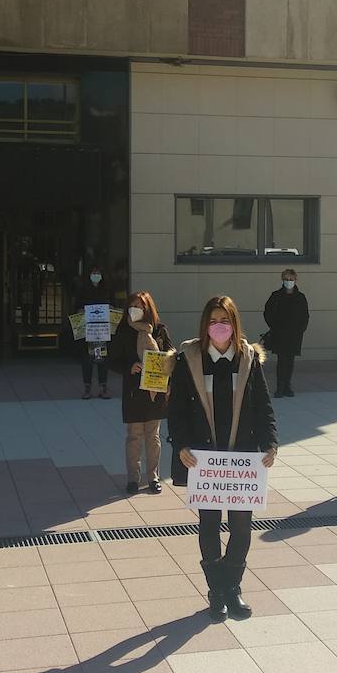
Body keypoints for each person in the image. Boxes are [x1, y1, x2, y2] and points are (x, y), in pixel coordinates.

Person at [169, 296, 277, 622]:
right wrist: (182, 445)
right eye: (214, 320)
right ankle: (216, 591)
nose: (220, 326)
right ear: (206, 324)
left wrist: (270, 443)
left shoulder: (248, 359)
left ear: (235, 324)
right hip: (205, 461)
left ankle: (233, 586)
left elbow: (263, 406)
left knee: (242, 526)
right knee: (210, 524)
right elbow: (177, 411)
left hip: (241, 460)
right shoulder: (190, 359)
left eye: (226, 320)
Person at [107, 290, 174, 494]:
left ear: (148, 308)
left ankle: (153, 477)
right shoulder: (124, 330)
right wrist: (130, 366)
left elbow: (172, 358)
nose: (136, 309)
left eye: (141, 306)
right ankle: (133, 479)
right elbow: (112, 360)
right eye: (133, 305)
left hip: (155, 392)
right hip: (134, 392)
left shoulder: (159, 330)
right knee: (134, 437)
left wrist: (165, 368)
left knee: (153, 436)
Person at [263, 269, 310, 397]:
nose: (289, 282)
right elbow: (267, 312)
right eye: (286, 279)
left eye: (291, 279)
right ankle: (280, 387)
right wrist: (274, 326)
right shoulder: (276, 296)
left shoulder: (300, 297)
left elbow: (305, 315)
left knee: (290, 360)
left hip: (294, 335)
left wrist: (301, 329)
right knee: (281, 360)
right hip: (280, 334)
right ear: (282, 280)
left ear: (295, 280)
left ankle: (287, 386)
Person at [74, 265, 113, 399]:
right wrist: (80, 311)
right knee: (87, 359)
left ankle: (103, 387)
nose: (96, 275)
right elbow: (76, 308)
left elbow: (113, 307)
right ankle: (87, 387)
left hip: (103, 331)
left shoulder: (106, 289)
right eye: (93, 273)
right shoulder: (82, 290)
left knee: (102, 357)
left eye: (98, 273)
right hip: (88, 330)